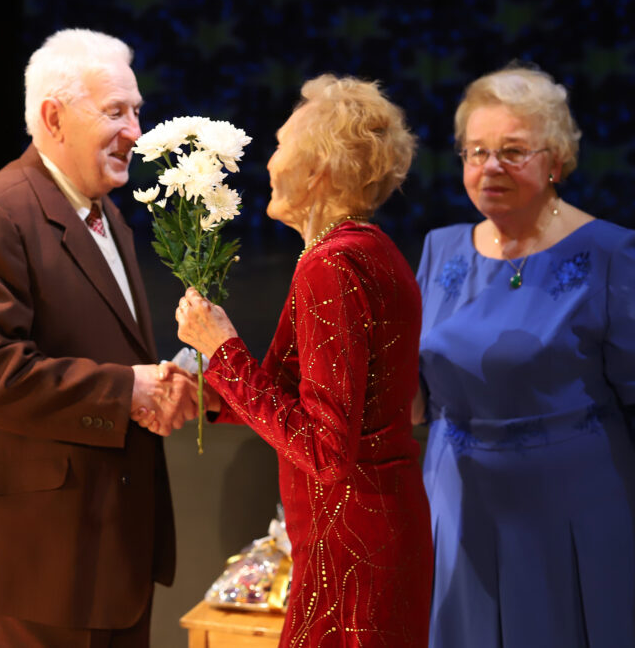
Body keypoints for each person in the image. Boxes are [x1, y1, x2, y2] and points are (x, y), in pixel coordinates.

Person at [0, 28, 199, 648]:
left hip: (105, 546)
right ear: (53, 118)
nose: (136, 132)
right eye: (116, 112)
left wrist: (156, 387)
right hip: (35, 556)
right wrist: (127, 391)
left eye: (137, 112)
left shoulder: (108, 216)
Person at [174, 75, 433, 646]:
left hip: (349, 549)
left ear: (318, 170)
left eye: (278, 144)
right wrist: (213, 395)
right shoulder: (372, 251)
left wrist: (222, 349)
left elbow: (324, 449)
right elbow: (317, 409)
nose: (268, 162)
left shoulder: (331, 267)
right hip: (372, 531)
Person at [414, 63, 635, 647]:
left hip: (571, 509)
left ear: (556, 159)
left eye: (512, 151)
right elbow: (411, 393)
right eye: (476, 151)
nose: (490, 167)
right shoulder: (439, 248)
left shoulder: (611, 253)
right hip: (456, 503)